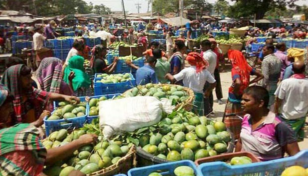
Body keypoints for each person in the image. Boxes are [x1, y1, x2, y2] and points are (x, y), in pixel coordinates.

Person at [0, 85, 97, 176]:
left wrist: (37, 122)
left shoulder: (9, 134)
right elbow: (45, 158)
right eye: (6, 107)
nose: (11, 110)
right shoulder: (13, 144)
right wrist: (80, 142)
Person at [236, 86, 299, 161]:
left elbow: (296, 157)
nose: (242, 102)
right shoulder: (246, 118)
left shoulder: (279, 126)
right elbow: (241, 142)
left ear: (260, 103)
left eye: (246, 100)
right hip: (244, 170)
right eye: (242, 99)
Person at [1, 65, 79, 125]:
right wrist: (38, 122)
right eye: (27, 78)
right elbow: (13, 130)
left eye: (30, 77)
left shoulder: (29, 91)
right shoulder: (6, 104)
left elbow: (46, 95)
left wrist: (65, 97)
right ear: (16, 81)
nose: (31, 81)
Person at [224, 50, 264, 120]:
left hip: (235, 96)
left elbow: (238, 82)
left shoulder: (235, 69)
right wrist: (249, 83)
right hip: (244, 93)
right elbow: (261, 75)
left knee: (233, 116)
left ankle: (234, 129)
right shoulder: (247, 67)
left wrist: (236, 91)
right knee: (242, 114)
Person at [274, 61, 308, 142]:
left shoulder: (286, 82)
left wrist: (275, 112)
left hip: (286, 115)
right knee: (295, 140)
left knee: (284, 140)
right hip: (301, 115)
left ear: (292, 70)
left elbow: (278, 99)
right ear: (304, 69)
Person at [201, 40, 217, 116]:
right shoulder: (213, 54)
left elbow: (203, 66)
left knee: (205, 95)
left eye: (202, 46)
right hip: (211, 75)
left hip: (206, 77)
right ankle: (210, 110)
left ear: (207, 46)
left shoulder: (206, 55)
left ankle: (207, 112)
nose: (201, 48)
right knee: (209, 94)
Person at [209, 39, 223, 105]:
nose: (213, 44)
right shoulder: (205, 51)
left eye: (214, 43)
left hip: (215, 69)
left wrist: (222, 66)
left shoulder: (218, 50)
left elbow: (221, 58)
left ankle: (219, 98)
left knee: (217, 84)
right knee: (209, 84)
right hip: (208, 70)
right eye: (211, 43)